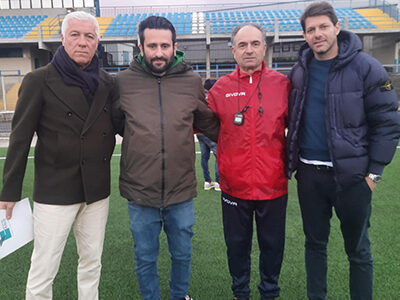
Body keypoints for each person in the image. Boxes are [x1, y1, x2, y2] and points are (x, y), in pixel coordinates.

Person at [286, 2, 400, 299]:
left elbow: (387, 123)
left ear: (337, 27)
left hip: (353, 178)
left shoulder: (367, 67)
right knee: (314, 246)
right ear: (305, 35)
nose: (317, 34)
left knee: (358, 250)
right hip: (310, 174)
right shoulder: (299, 71)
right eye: (311, 29)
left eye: (323, 26)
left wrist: (374, 173)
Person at [0, 11, 116, 300]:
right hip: (55, 189)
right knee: (44, 265)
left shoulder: (106, 82)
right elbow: (20, 138)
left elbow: (120, 124)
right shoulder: (39, 80)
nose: (82, 42)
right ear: (62, 39)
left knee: (91, 262)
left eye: (89, 36)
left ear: (97, 42)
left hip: (96, 189)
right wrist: (10, 190)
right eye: (75, 35)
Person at [112, 16, 219, 300]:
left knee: (182, 255)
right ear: (140, 47)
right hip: (140, 191)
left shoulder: (191, 81)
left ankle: (179, 295)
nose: (158, 52)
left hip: (180, 190)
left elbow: (208, 123)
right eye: (152, 46)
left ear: (174, 46)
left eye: (164, 45)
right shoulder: (122, 82)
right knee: (145, 257)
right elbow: (115, 124)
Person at [206, 24, 291, 300]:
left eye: (255, 43)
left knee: (272, 245)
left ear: (264, 48)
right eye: (242, 45)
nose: (249, 50)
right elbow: (199, 125)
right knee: (237, 245)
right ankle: (239, 292)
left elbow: (300, 127)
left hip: (273, 186)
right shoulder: (220, 89)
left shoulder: (283, 85)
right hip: (233, 187)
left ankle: (269, 292)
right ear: (233, 51)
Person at [197, 79, 220, 191]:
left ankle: (207, 181)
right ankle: (218, 182)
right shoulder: (214, 97)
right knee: (218, 157)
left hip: (200, 132)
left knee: (204, 157)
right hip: (211, 132)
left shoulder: (199, 96)